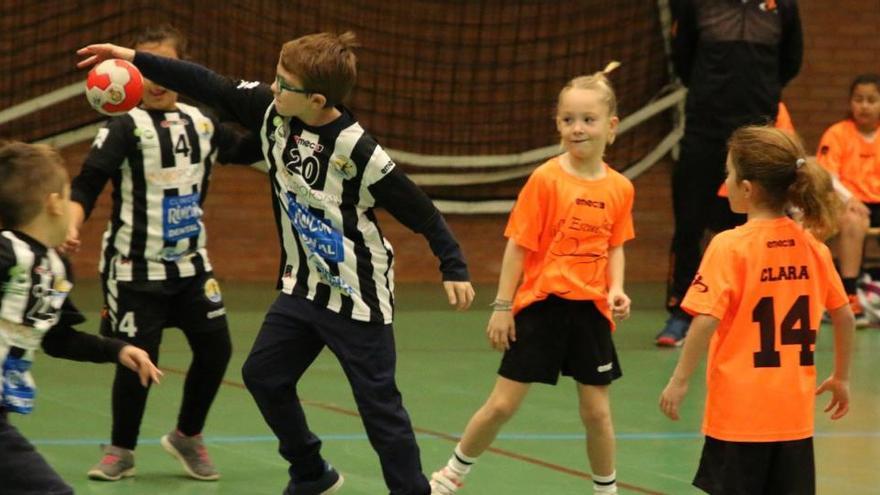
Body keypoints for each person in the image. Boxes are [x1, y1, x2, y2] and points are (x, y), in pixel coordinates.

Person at [77, 30, 475, 495]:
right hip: (304, 287)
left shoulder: (357, 150)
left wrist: (454, 265)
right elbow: (207, 83)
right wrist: (133, 58)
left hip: (357, 296)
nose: (273, 88)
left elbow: (420, 210)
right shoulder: (271, 109)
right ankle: (310, 472)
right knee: (263, 376)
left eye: (284, 84)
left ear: (318, 99)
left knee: (379, 407)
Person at [64, 25, 262, 482]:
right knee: (137, 358)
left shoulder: (204, 121)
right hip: (135, 268)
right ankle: (121, 450)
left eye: (165, 67)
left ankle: (187, 436)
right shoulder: (123, 126)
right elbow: (88, 182)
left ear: (181, 71)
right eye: (146, 67)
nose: (156, 79)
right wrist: (73, 223)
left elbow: (245, 148)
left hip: (193, 266)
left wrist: (283, 125)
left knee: (217, 349)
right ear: (131, 72)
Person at [430, 65, 633, 495]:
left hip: (591, 311)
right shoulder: (545, 179)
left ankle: (606, 490)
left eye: (588, 120)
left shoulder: (620, 188)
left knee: (597, 413)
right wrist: (504, 307)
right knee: (502, 404)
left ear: (611, 126)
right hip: (542, 306)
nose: (577, 129)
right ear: (558, 123)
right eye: (568, 120)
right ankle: (451, 476)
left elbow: (615, 244)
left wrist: (616, 288)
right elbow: (518, 245)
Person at [659, 125, 853, 494]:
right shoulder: (813, 247)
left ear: (746, 189)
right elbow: (843, 316)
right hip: (793, 416)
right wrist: (841, 376)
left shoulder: (729, 246)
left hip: (738, 414)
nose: (726, 181)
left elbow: (704, 321)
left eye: (729, 173)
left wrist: (680, 379)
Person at [0, 141, 162, 495]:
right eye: (70, 194)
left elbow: (59, 338)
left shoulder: (54, 268)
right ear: (56, 204)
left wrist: (117, 350)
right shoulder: (7, 250)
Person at [658, 0, 804, 346]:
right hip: (705, 126)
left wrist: (757, 95)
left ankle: (747, 308)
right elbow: (683, 60)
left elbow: (790, 61)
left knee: (757, 222)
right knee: (689, 221)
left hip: (758, 126)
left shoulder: (782, 5)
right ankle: (682, 311)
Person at [816, 74, 880, 327]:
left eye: (872, 100)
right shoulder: (838, 133)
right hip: (850, 203)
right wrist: (849, 198)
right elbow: (827, 176)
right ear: (851, 102)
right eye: (858, 99)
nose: (864, 105)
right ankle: (850, 293)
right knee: (853, 219)